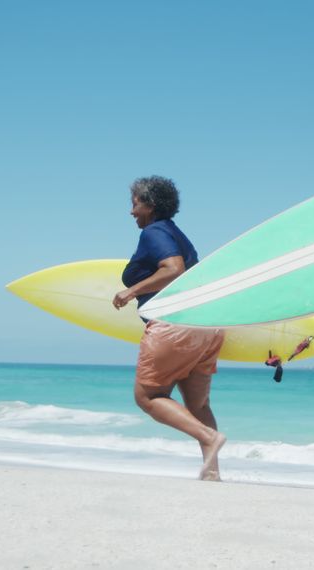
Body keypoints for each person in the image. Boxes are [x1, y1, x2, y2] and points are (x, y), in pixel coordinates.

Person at [112, 176, 227, 481]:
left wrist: (131, 291)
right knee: (198, 403)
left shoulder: (154, 232)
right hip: (207, 326)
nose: (131, 211)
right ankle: (212, 472)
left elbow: (174, 269)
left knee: (148, 397)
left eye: (135, 204)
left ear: (149, 205)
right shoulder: (177, 234)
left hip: (173, 325)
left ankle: (209, 438)